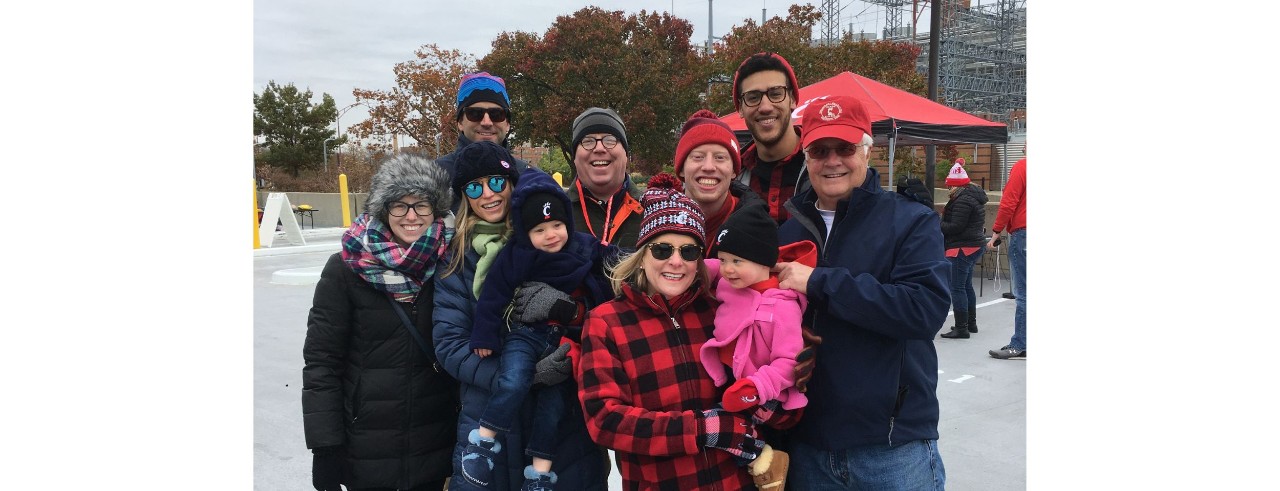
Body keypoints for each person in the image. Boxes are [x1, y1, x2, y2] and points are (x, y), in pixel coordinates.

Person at [576, 176, 802, 490]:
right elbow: (604, 421)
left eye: (689, 252)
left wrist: (785, 386)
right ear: (642, 256)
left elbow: (765, 400)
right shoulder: (607, 322)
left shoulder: (719, 312)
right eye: (662, 249)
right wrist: (703, 429)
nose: (676, 262)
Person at [773, 94, 952, 489]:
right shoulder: (787, 231)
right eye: (820, 150)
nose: (833, 160)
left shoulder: (911, 221)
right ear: (806, 157)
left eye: (845, 148)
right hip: (810, 444)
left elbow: (924, 310)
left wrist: (820, 281)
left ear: (867, 152)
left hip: (891, 447)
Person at [433, 141, 608, 490]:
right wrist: (520, 376)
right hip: (489, 416)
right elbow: (450, 345)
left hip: (563, 428)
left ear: (512, 184)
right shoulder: (456, 257)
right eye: (473, 187)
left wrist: (572, 311)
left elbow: (607, 315)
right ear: (464, 196)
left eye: (496, 182)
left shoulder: (560, 237)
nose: (487, 194)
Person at [302, 153, 459, 491]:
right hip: (365, 450)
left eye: (422, 204)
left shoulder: (450, 265)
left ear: (437, 209)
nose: (411, 216)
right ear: (382, 210)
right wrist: (325, 446)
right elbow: (321, 364)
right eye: (399, 205)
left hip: (436, 448)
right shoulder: (345, 269)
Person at [700, 203, 819, 490]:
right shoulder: (731, 282)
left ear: (764, 261)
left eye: (737, 261)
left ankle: (765, 462)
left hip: (767, 392)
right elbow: (709, 267)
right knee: (721, 426)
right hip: (732, 377)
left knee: (716, 425)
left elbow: (789, 362)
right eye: (724, 259)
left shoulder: (782, 307)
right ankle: (760, 458)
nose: (728, 269)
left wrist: (756, 388)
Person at [673, 109, 765, 257]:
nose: (709, 167)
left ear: (735, 171)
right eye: (698, 157)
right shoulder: (658, 220)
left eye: (720, 158)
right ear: (681, 169)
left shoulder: (756, 227)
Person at [731, 52, 808, 225]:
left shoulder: (823, 166)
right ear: (741, 108)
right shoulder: (730, 177)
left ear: (793, 99)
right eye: (753, 98)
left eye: (775, 94)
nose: (765, 107)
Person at [436, 71, 531, 209]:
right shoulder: (433, 178)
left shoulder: (529, 178)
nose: (487, 122)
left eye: (496, 114)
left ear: (508, 123)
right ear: (460, 122)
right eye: (475, 113)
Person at [567, 107, 644, 249]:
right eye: (588, 141)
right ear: (575, 157)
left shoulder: (652, 211)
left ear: (626, 154)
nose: (599, 148)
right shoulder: (556, 211)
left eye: (610, 140)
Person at [939, 159, 988, 340]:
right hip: (973, 245)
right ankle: (970, 323)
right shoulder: (972, 196)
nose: (948, 189)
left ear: (956, 185)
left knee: (957, 287)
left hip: (962, 247)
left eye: (949, 186)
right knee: (966, 285)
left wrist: (938, 222)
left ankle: (961, 328)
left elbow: (955, 227)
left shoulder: (962, 201)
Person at [987, 156, 1026, 360]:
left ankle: (1020, 344)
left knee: (1024, 293)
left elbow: (1009, 200)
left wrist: (996, 231)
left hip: (1024, 231)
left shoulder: (1023, 166)